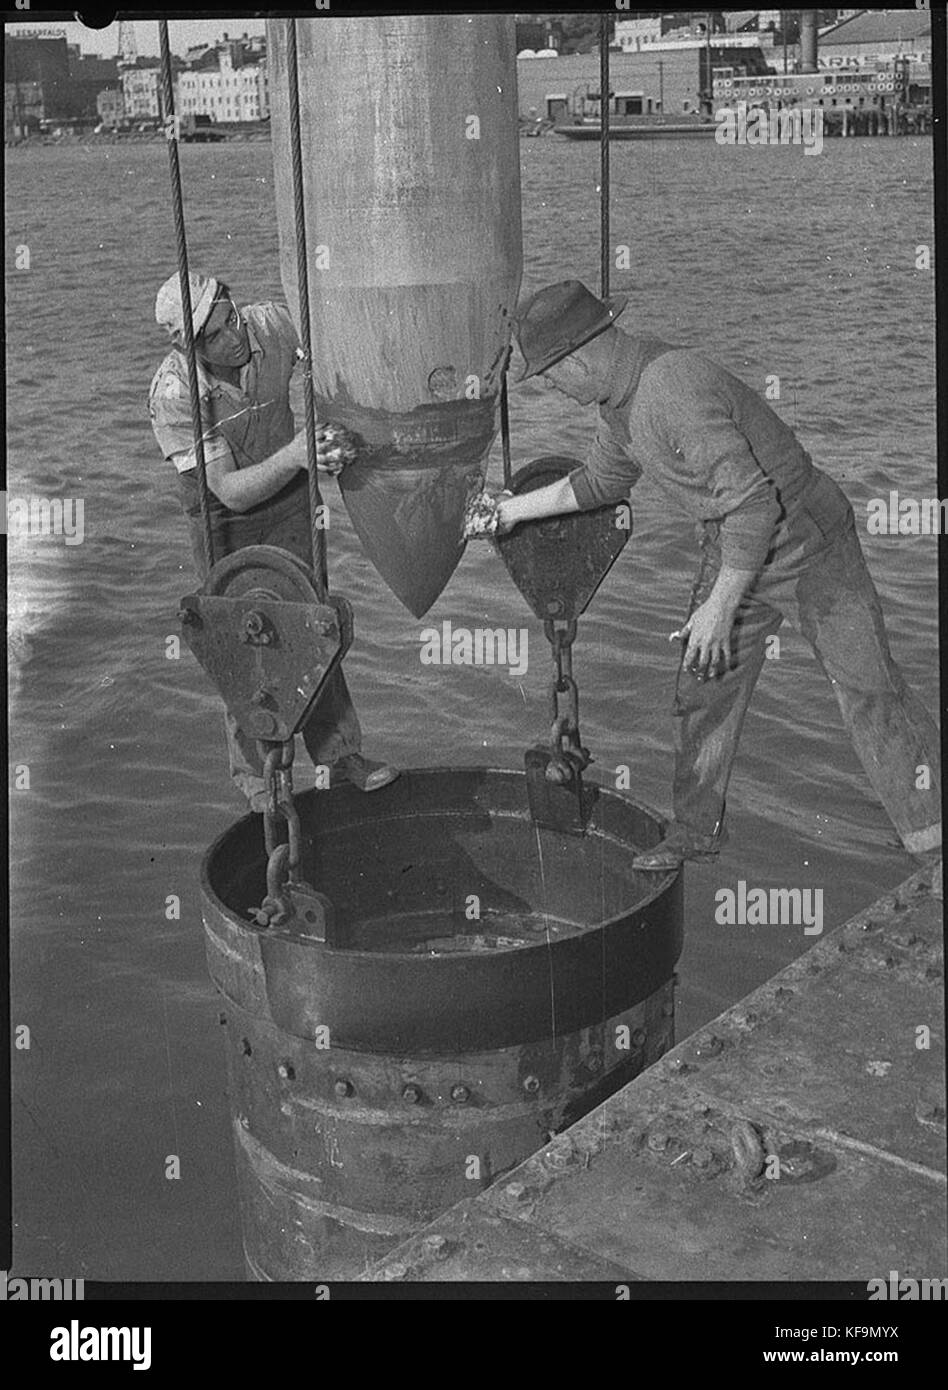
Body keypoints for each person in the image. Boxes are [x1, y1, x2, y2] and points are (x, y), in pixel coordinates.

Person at [497, 280, 942, 888]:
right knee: (702, 689)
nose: (553, 389)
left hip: (808, 545)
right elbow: (600, 483)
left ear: (575, 360)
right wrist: (509, 513)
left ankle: (933, 840)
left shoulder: (667, 390)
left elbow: (756, 505)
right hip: (733, 545)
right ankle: (694, 831)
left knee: (870, 689)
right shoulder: (620, 403)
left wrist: (718, 606)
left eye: (549, 377)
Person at [148, 271, 398, 809]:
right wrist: (300, 453)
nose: (234, 338)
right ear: (187, 346)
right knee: (243, 642)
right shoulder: (174, 394)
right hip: (224, 518)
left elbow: (336, 360)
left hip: (289, 496)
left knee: (313, 622)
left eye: (231, 321)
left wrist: (339, 429)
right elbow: (232, 492)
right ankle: (262, 783)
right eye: (214, 337)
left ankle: (340, 753)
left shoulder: (272, 326)